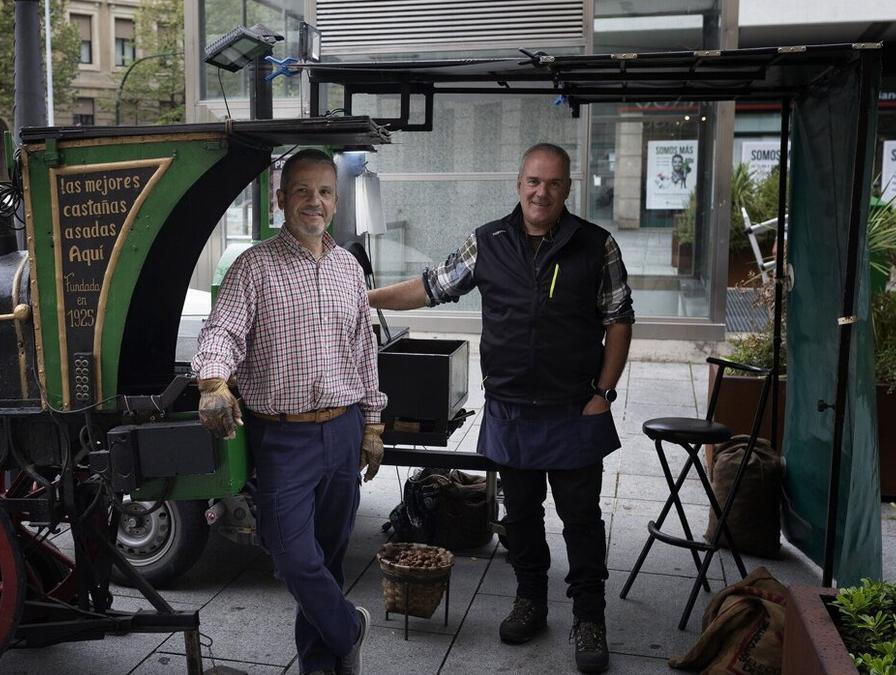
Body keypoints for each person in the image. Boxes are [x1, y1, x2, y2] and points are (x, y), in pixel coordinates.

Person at [368, 143, 633, 674]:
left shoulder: (594, 244)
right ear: (518, 184)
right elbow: (431, 287)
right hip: (511, 409)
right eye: (534, 181)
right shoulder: (487, 240)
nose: (542, 192)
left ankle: (589, 619)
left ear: (567, 190)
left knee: (580, 519)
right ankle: (531, 602)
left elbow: (619, 318)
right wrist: (364, 298)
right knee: (521, 516)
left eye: (554, 183)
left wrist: (602, 395)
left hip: (573, 408)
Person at [191, 148, 386, 675]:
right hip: (283, 438)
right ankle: (350, 627)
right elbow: (222, 331)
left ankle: (322, 665)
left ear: (336, 200)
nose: (313, 202)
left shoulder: (349, 268)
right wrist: (212, 381)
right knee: (290, 554)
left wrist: (373, 423)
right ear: (280, 199)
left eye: (324, 191)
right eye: (302, 191)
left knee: (328, 557)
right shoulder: (253, 266)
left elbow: (363, 352)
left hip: (344, 431)